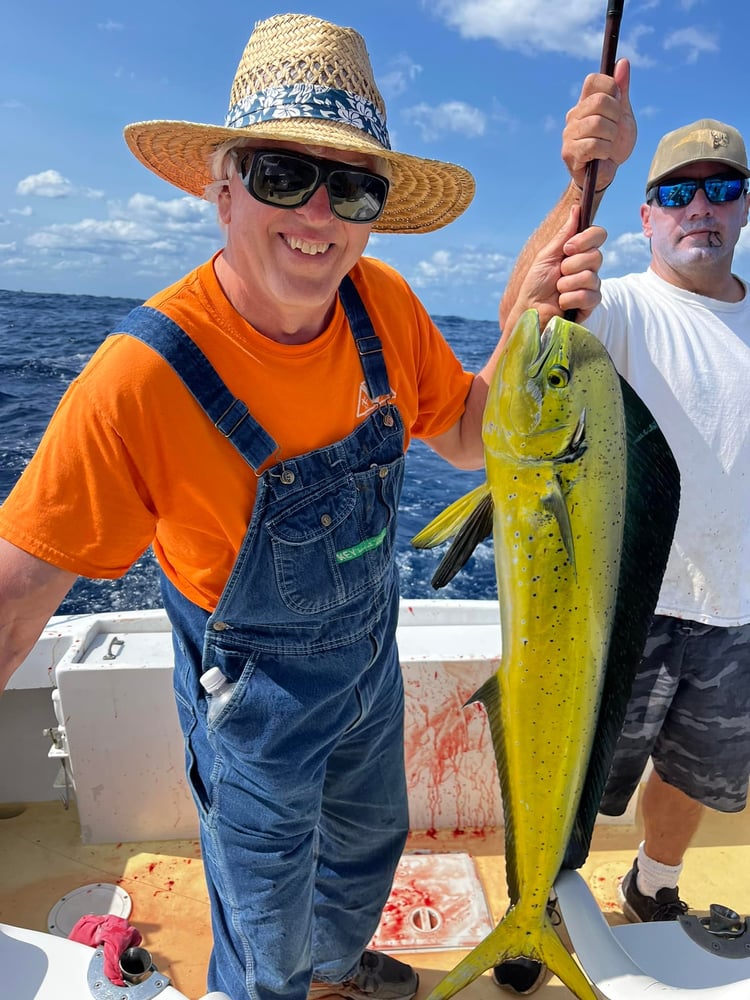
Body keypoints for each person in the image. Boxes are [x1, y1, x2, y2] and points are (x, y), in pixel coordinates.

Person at [0, 14, 610, 1000]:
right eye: (286, 174)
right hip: (255, 706)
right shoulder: (138, 377)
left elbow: (469, 434)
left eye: (354, 186)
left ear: (374, 213)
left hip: (371, 667)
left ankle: (334, 964)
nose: (319, 215)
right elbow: (17, 600)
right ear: (222, 186)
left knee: (370, 850)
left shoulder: (385, 307)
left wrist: (545, 267)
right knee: (265, 922)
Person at [493, 73, 750, 997]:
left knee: (697, 776)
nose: (700, 209)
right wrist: (579, 182)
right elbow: (525, 325)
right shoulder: (624, 307)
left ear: (745, 205)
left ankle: (655, 887)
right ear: (646, 215)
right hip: (615, 607)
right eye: (678, 191)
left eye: (722, 189)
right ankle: (533, 908)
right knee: (572, 778)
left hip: (737, 612)